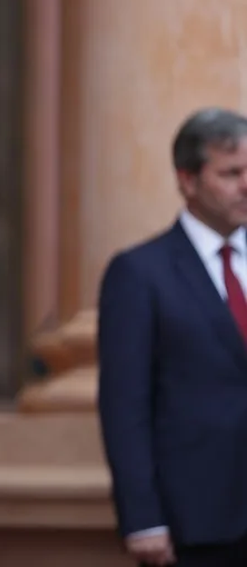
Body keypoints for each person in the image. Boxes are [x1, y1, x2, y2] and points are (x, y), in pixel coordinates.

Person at [98, 108, 247, 566]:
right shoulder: (140, 273)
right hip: (196, 523)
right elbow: (125, 406)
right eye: (232, 173)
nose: (246, 184)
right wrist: (142, 516)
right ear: (187, 179)